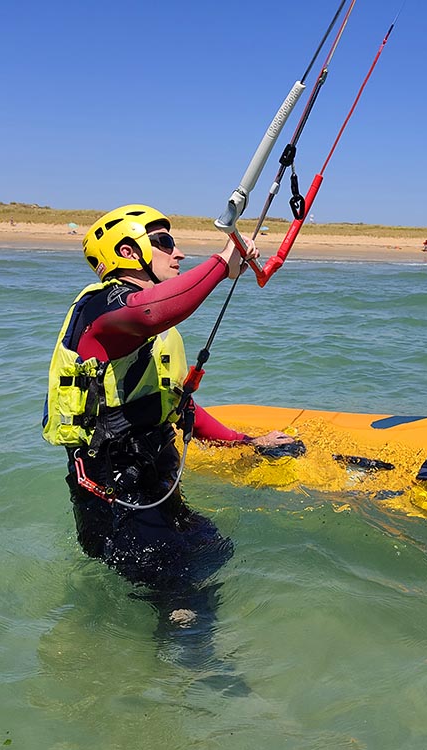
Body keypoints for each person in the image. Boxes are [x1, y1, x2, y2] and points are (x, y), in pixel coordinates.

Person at [42, 204, 292, 679]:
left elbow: (179, 407)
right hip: (112, 491)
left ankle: (172, 650)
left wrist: (248, 441)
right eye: (164, 243)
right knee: (179, 593)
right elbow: (148, 311)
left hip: (155, 484)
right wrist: (222, 263)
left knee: (214, 549)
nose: (178, 252)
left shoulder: (157, 332)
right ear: (126, 250)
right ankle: (181, 684)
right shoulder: (101, 307)